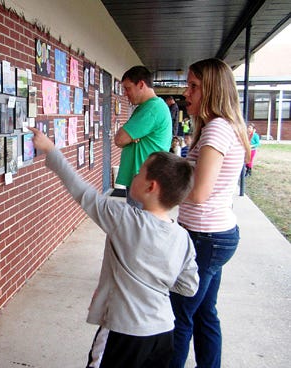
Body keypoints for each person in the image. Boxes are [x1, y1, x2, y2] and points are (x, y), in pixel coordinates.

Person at [28, 126, 199, 368]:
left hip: (123, 330)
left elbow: (82, 192)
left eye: (139, 172)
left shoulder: (124, 219)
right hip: (163, 332)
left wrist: (50, 149)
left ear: (151, 187)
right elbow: (189, 286)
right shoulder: (183, 238)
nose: (134, 175)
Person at [169, 58, 251, 368]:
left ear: (213, 90)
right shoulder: (224, 126)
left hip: (205, 238)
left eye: (194, 87)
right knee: (204, 312)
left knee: (179, 316)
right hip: (216, 235)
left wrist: (161, 186)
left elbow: (200, 193)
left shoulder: (217, 129)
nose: (186, 94)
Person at [114, 66, 172, 207]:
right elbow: (121, 140)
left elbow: (119, 139)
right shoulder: (147, 107)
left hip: (144, 180)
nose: (126, 94)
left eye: (128, 88)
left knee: (138, 225)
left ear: (141, 84)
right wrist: (130, 136)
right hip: (143, 177)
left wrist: (129, 136)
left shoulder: (151, 109)